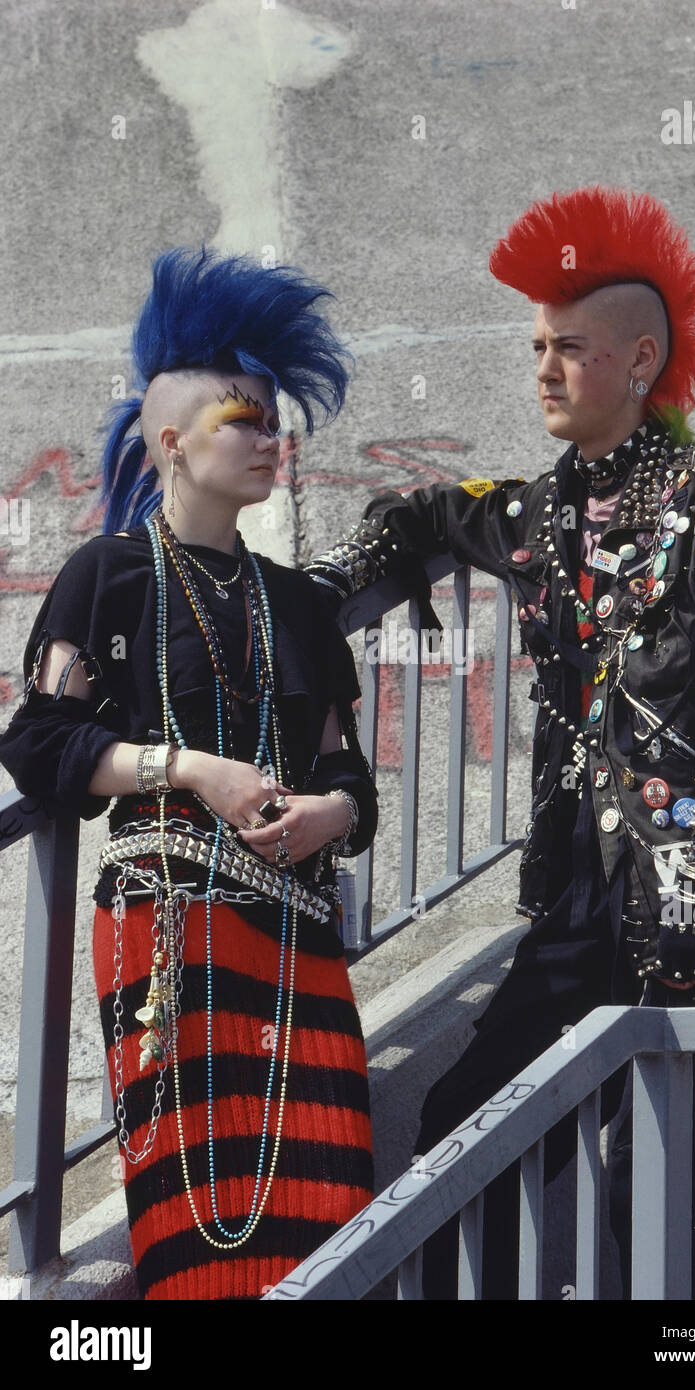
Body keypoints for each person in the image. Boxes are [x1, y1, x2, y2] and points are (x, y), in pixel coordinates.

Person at [306, 185, 695, 1299]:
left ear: (640, 361)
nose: (542, 369)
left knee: (683, 1186)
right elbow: (422, 514)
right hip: (580, 896)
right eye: (536, 347)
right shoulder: (538, 510)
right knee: (465, 1131)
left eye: (568, 348)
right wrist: (334, 579)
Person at [0, 247, 377, 1300]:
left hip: (295, 929)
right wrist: (191, 769)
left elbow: (355, 777)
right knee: (198, 1221)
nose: (269, 438)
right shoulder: (107, 575)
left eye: (272, 419)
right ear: (171, 441)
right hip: (166, 928)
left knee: (333, 1198)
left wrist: (327, 811)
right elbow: (39, 741)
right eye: (242, 419)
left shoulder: (299, 603)